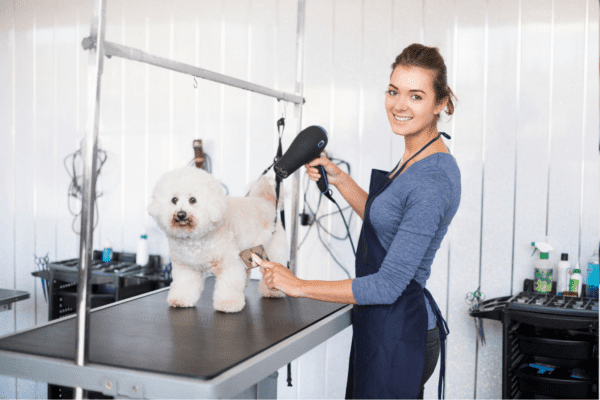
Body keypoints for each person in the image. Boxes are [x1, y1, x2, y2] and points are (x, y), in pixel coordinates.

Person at [253, 43, 461, 399]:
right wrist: (340, 179)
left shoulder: (432, 181)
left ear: (440, 104)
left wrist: (298, 285)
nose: (399, 105)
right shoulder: (416, 157)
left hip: (401, 330)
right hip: (383, 323)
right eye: (394, 91)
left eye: (415, 96)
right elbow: (388, 224)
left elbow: (386, 286)